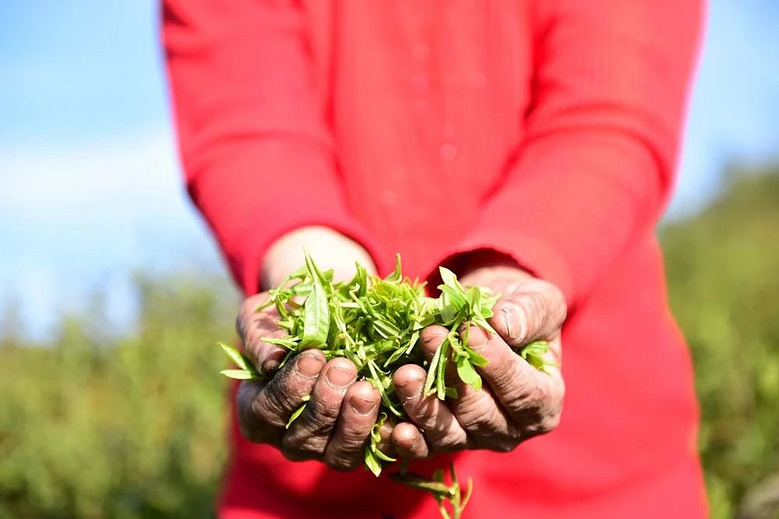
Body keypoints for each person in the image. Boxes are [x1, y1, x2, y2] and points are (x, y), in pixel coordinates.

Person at [163, 1, 707, 517]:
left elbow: (608, 112)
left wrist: (515, 267)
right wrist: (310, 275)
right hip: (314, 495)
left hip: (594, 475)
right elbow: (246, 121)